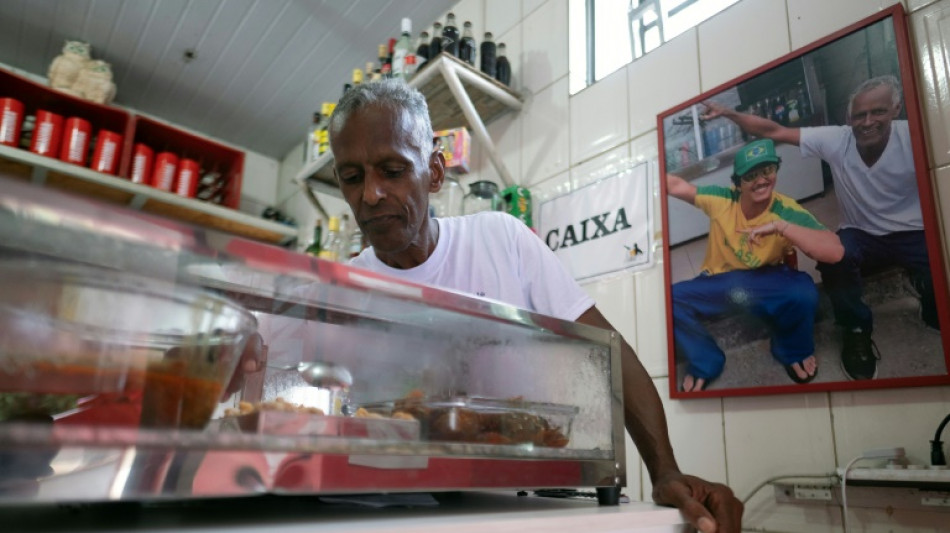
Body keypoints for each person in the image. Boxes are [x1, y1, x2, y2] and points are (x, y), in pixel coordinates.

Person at [327, 79, 743, 533]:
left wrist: (664, 470)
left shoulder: (499, 239)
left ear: (435, 172)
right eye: (352, 178)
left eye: (392, 170)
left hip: (526, 508)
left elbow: (606, 355)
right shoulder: (340, 290)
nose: (370, 194)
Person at [702, 75, 939, 381]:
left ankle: (932, 300)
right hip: (861, 232)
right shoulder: (837, 139)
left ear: (896, 109)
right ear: (847, 118)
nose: (867, 122)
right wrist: (729, 114)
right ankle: (855, 330)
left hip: (913, 231)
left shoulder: (917, 136)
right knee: (833, 257)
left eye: (878, 112)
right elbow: (773, 130)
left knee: (939, 254)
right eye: (859, 115)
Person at [667, 139, 844, 392]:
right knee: (670, 299)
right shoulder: (721, 200)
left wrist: (781, 226)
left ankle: (793, 349)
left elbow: (835, 251)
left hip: (763, 282)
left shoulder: (786, 210)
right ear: (737, 183)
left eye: (767, 171)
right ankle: (706, 361)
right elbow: (674, 184)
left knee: (803, 290)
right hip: (718, 282)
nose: (761, 180)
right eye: (751, 175)